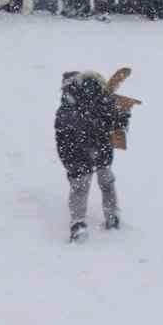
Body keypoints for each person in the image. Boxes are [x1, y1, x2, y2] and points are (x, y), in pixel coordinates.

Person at [56, 70, 130, 242]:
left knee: (80, 188)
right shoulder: (101, 96)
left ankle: (78, 225)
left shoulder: (67, 107)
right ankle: (112, 217)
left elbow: (62, 137)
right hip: (101, 146)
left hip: (77, 152)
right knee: (106, 182)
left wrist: (69, 162)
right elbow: (116, 121)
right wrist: (122, 118)